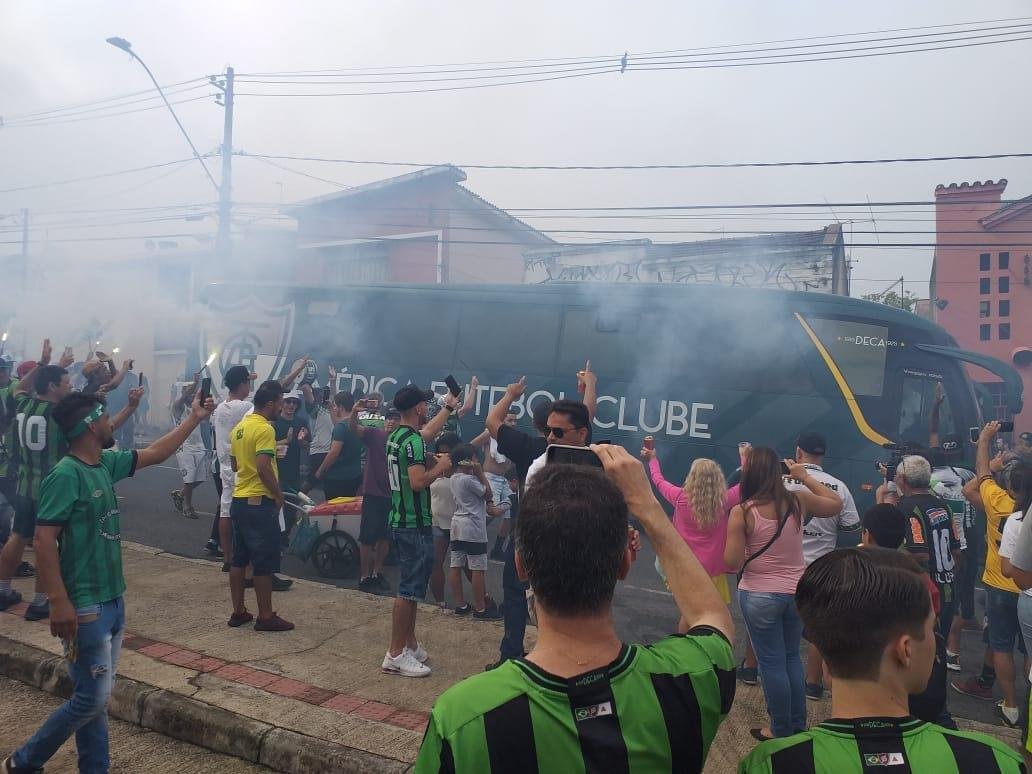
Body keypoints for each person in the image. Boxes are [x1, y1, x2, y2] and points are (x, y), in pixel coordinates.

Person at [416, 444, 735, 773]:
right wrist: (648, 508)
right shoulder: (692, 679)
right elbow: (711, 616)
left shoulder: (461, 719)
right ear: (625, 563)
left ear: (521, 566)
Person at [1, 386, 216, 774]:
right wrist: (58, 601)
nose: (109, 420)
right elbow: (43, 539)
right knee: (91, 700)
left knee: (94, 697)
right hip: (84, 606)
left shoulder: (103, 463)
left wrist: (195, 418)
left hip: (113, 601)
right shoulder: (66, 475)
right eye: (103, 415)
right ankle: (24, 761)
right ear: (88, 425)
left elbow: (157, 453)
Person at [739, 547, 1024, 774]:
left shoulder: (771, 764)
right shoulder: (993, 760)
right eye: (931, 628)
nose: (934, 641)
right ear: (906, 650)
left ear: (824, 661)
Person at [724, 446, 842, 740]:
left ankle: (779, 729)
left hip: (760, 594)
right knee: (791, 658)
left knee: (771, 663)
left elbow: (732, 562)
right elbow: (835, 504)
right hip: (796, 593)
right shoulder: (798, 500)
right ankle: (797, 725)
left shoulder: (743, 511)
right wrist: (803, 477)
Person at [1, 341, 126, 620]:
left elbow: (20, 387)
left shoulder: (24, 403)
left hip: (24, 484)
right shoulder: (61, 417)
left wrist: (45, 364)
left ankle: (3, 589)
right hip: (52, 489)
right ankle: (39, 601)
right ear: (53, 387)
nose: (70, 386)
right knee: (49, 543)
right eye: (66, 382)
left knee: (18, 536)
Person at [482, 373, 597, 670]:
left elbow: (492, 422)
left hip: (528, 533)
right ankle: (558, 657)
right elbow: (586, 416)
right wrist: (589, 387)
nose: (551, 437)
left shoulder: (527, 447)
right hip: (568, 535)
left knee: (516, 594)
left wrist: (510, 394)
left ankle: (512, 654)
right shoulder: (579, 448)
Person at [381, 384, 458, 678]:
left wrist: (449, 408)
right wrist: (442, 467)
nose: (429, 408)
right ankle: (395, 653)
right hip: (413, 523)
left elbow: (426, 434)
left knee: (412, 589)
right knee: (409, 590)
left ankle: (408, 644)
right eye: (427, 404)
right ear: (419, 409)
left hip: (403, 519)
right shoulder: (411, 442)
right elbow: (417, 481)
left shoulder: (399, 436)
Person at [952, 422, 1024, 727]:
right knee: (1027, 646)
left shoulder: (997, 502)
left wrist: (983, 441)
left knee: (1000, 645)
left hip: (998, 585)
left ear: (1010, 485)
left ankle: (1009, 706)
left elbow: (980, 476)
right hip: (1028, 587)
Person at [859, 504, 954, 728]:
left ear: (867, 535)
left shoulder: (858, 573)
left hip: (877, 676)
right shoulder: (920, 576)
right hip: (920, 673)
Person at [784, 431, 861, 702]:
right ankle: (813, 684)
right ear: (822, 455)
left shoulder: (782, 481)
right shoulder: (838, 486)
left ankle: (750, 669)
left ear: (798, 452)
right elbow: (852, 526)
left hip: (782, 566)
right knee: (816, 629)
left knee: (770, 620)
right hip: (819, 569)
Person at [227, 380, 294, 632]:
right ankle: (265, 616)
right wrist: (278, 494)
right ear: (270, 403)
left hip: (239, 499)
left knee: (239, 560)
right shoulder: (265, 429)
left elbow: (235, 466)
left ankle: (238, 612)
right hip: (259, 501)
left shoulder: (240, 428)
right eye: (279, 402)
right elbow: (264, 466)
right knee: (263, 561)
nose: (281, 406)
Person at [641, 444, 739, 610]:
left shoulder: (679, 497)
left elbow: (658, 480)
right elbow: (748, 483)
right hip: (713, 570)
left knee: (691, 613)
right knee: (711, 614)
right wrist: (746, 459)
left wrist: (652, 460)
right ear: (718, 479)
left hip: (686, 566)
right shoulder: (725, 500)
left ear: (692, 477)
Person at [896, 455, 962, 641]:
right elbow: (957, 552)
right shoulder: (944, 506)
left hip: (924, 593)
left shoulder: (907, 507)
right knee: (939, 646)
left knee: (920, 651)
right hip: (947, 588)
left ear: (902, 480)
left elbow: (920, 553)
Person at [447, 443, 503, 619]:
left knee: (456, 565)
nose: (477, 460)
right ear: (467, 461)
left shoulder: (454, 477)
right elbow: (488, 494)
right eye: (474, 457)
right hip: (473, 527)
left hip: (457, 525)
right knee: (477, 568)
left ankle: (460, 605)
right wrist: (480, 474)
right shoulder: (469, 480)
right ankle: (480, 608)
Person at [349, 402, 399, 592]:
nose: (391, 422)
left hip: (392, 494)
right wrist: (354, 411)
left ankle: (377, 572)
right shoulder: (374, 434)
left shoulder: (403, 441)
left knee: (385, 537)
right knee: (368, 537)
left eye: (395, 419)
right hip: (372, 493)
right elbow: (353, 428)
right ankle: (364, 576)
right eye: (389, 418)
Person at [524, 399, 592, 489]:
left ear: (582, 433)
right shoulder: (539, 467)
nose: (550, 437)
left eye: (558, 432)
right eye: (547, 430)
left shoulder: (599, 464)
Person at [169, 380, 210, 520]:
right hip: (183, 446)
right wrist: (194, 384)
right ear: (183, 393)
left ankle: (180, 495)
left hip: (199, 446)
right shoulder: (177, 408)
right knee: (190, 479)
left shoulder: (196, 409)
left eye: (193, 393)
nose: (192, 395)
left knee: (201, 478)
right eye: (189, 392)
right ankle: (188, 507)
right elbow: (181, 399)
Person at [312, 392, 364, 499]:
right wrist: (331, 408)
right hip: (355, 475)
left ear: (340, 407)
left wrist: (319, 471)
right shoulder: (357, 423)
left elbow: (334, 453)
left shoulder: (341, 427)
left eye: (335, 406)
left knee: (334, 512)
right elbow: (339, 424)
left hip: (337, 478)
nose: (335, 409)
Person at [428, 432, 460, 607]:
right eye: (440, 453)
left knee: (469, 568)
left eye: (448, 453)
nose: (444, 456)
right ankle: (440, 602)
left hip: (459, 524)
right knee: (435, 563)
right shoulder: (432, 465)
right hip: (437, 523)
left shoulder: (465, 468)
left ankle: (480, 601)